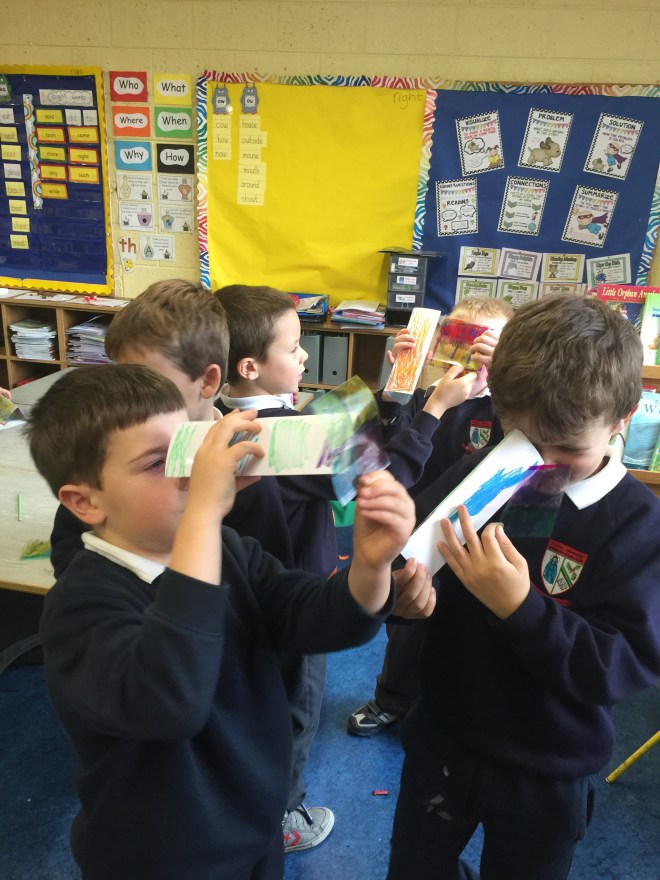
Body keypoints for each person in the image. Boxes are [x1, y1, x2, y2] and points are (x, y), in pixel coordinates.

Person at [28, 363, 426, 880]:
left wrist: (370, 568)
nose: (191, 471)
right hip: (163, 858)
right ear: (84, 502)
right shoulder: (79, 605)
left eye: (189, 449)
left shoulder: (227, 548)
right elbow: (171, 698)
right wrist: (203, 513)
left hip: (255, 823)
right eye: (158, 463)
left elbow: (311, 617)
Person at [387, 293, 660, 880]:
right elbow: (409, 565)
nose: (545, 465)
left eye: (569, 449)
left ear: (623, 418)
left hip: (548, 765)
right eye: (526, 441)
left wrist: (520, 607)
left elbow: (617, 666)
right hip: (445, 735)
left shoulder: (639, 525)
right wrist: (404, 599)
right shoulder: (484, 471)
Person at [214, 283, 440, 850]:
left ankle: (251, 798)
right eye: (293, 348)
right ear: (249, 367)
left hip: (241, 591)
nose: (304, 357)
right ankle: (283, 815)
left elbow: (344, 435)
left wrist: (393, 390)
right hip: (296, 599)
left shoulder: (222, 420)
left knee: (254, 701)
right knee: (297, 710)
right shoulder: (281, 439)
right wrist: (433, 410)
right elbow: (383, 474)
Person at [349, 295, 512, 736]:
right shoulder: (429, 396)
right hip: (418, 533)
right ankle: (392, 698)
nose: (472, 355)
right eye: (461, 340)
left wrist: (505, 379)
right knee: (408, 623)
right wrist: (399, 387)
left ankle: (445, 707)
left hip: (478, 536)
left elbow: (512, 451)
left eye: (486, 345)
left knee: (467, 629)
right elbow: (388, 451)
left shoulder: (504, 405)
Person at [49, 280, 229, 579]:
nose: (129, 395)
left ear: (208, 381)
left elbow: (265, 581)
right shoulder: (111, 449)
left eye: (149, 381)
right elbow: (68, 554)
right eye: (121, 378)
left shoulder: (245, 466)